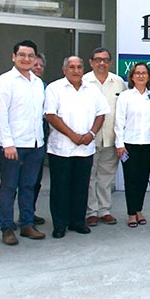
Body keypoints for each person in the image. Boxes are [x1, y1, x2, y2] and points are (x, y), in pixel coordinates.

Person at [45, 56, 109, 239]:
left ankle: (78, 221)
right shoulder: (54, 88)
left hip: (85, 147)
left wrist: (92, 134)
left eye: (79, 67)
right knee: (60, 188)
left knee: (81, 187)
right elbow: (51, 115)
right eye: (71, 67)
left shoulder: (92, 89)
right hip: (61, 148)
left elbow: (101, 113)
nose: (76, 70)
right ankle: (60, 224)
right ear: (64, 69)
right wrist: (72, 135)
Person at [0, 40, 47, 245]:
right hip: (12, 145)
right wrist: (7, 143)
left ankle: (27, 224)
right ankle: (7, 228)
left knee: (28, 186)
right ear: (14, 57)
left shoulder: (37, 83)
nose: (26, 59)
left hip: (35, 144)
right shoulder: (5, 81)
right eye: (22, 55)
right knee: (9, 187)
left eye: (30, 56)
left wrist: (40, 142)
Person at [83, 47, 126, 227]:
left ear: (110, 62)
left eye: (105, 60)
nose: (102, 63)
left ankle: (104, 210)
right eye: (98, 59)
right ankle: (91, 212)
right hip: (88, 139)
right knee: (89, 177)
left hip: (111, 137)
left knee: (106, 177)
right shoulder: (84, 81)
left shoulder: (118, 82)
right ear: (91, 62)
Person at [115, 63, 150, 228]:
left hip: (148, 144)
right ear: (132, 77)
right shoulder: (125, 96)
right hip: (129, 145)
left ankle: (139, 210)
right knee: (130, 180)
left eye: (144, 73)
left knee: (143, 179)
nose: (140, 76)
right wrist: (119, 144)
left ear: (148, 77)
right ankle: (131, 213)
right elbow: (119, 121)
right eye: (137, 73)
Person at [31, 53, 47, 225]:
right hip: (16, 141)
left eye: (41, 65)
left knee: (35, 180)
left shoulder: (44, 87)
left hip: (39, 138)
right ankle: (6, 222)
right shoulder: (9, 83)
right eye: (35, 65)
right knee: (11, 185)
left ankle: (29, 213)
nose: (38, 68)